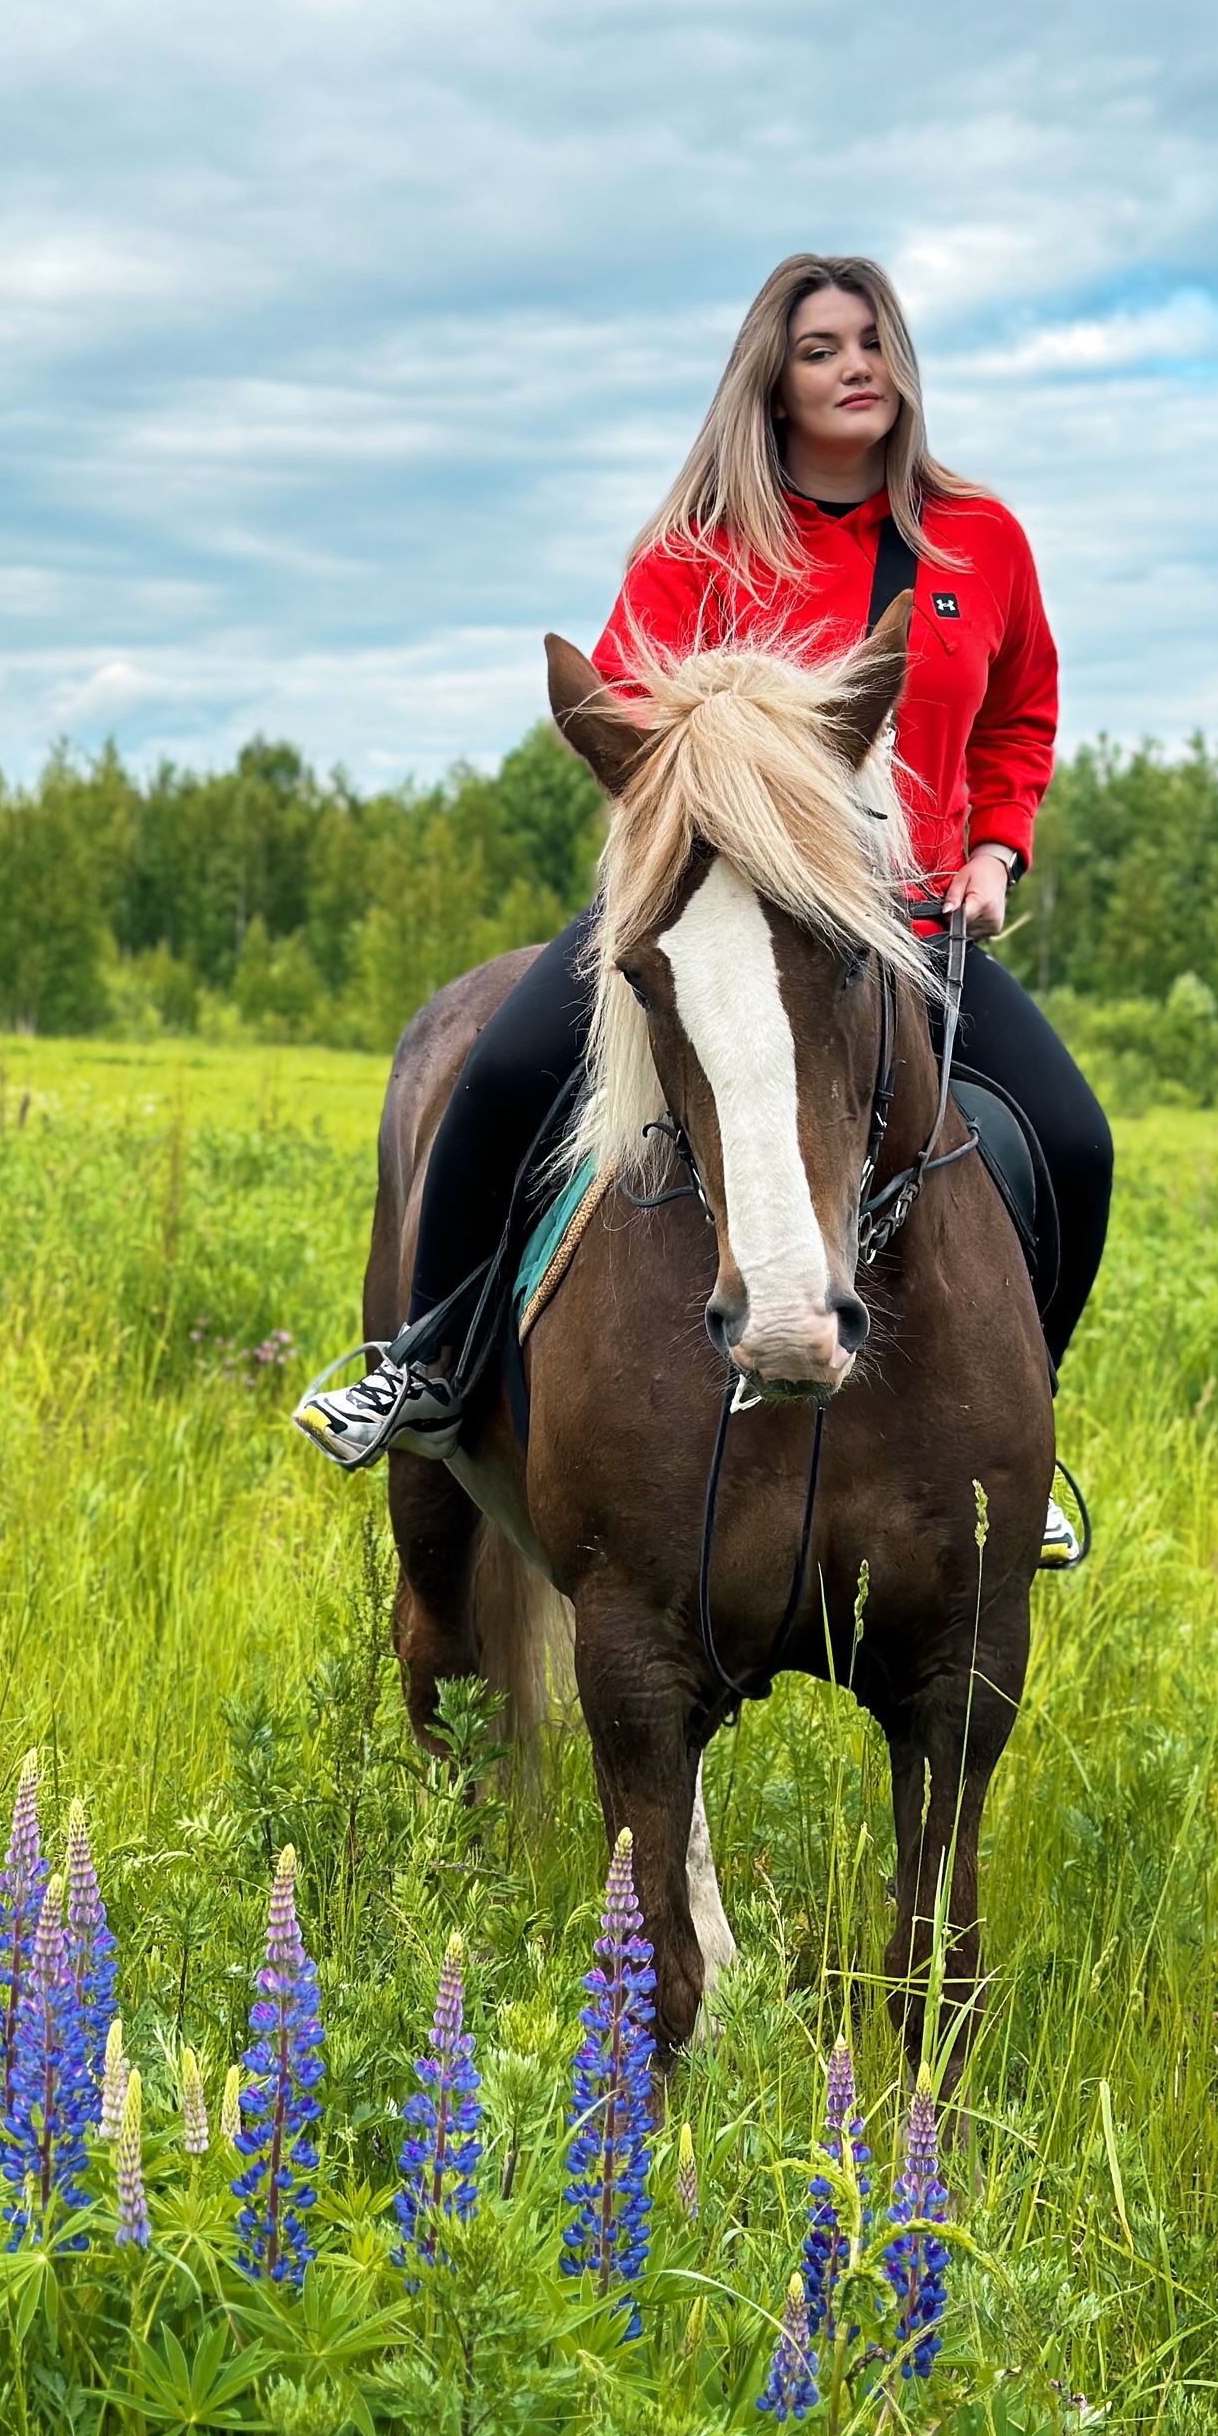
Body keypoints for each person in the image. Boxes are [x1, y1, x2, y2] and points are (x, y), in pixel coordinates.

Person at [296, 254, 1111, 1565]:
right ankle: (427, 1360)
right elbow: (623, 711)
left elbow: (1019, 713)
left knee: (1072, 1143)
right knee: (500, 1075)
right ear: (770, 382)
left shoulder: (982, 543)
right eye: (822, 348)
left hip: (893, 921)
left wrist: (998, 852)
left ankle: (1020, 1456)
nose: (858, 366)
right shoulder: (697, 550)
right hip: (707, 910)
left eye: (873, 341)